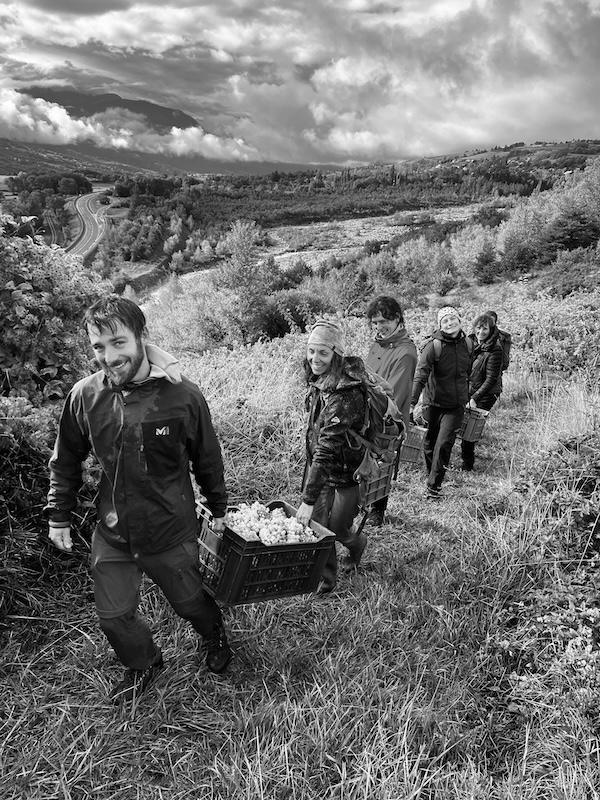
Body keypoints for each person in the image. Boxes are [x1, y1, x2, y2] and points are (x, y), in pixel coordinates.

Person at [44, 295, 232, 704]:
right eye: (98, 346)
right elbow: (66, 460)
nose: (109, 357)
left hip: (170, 530)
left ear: (141, 337)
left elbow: (207, 458)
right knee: (113, 617)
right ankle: (144, 662)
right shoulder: (85, 396)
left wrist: (218, 508)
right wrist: (59, 515)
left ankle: (214, 633)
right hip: (114, 532)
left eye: (118, 342)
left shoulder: (183, 396)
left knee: (190, 603)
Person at [296, 319, 369, 594]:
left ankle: (357, 545)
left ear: (335, 354)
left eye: (323, 353)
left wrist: (307, 499)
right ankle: (325, 580)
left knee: (338, 528)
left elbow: (327, 448)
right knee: (318, 527)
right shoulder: (319, 380)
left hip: (347, 472)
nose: (315, 358)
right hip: (322, 469)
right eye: (311, 351)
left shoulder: (345, 395)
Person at [365, 295, 417, 525]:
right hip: (369, 410)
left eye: (384, 321)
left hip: (388, 417)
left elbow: (395, 393)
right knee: (368, 458)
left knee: (383, 460)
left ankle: (378, 510)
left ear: (397, 319)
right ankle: (364, 502)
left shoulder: (405, 352)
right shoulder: (377, 344)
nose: (379, 327)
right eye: (375, 322)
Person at [410, 306, 472, 500]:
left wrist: (469, 396)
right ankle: (432, 473)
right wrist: (412, 402)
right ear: (439, 325)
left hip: (455, 405)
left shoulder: (468, 344)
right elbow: (421, 375)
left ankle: (434, 486)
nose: (449, 323)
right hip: (433, 403)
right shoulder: (433, 346)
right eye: (445, 321)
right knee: (430, 442)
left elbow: (468, 372)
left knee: (444, 444)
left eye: (453, 319)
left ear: (459, 321)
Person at [460, 312, 503, 471]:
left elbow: (491, 378)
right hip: (471, 388)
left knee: (470, 426)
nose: (481, 332)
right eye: (478, 328)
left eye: (485, 329)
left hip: (487, 392)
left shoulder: (495, 349)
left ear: (491, 330)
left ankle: (467, 464)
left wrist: (475, 398)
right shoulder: (469, 342)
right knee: (462, 422)